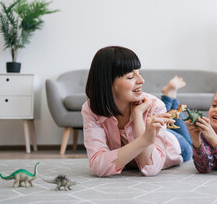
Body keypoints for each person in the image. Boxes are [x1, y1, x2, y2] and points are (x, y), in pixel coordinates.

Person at [82, 46, 192, 177]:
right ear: (107, 83)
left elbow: (151, 169)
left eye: (140, 73)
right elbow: (98, 166)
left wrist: (138, 115)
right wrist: (145, 139)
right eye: (130, 77)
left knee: (186, 140)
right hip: (153, 132)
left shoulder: (154, 105)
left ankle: (170, 95)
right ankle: (170, 95)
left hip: (176, 145)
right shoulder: (91, 109)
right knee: (162, 119)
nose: (141, 80)